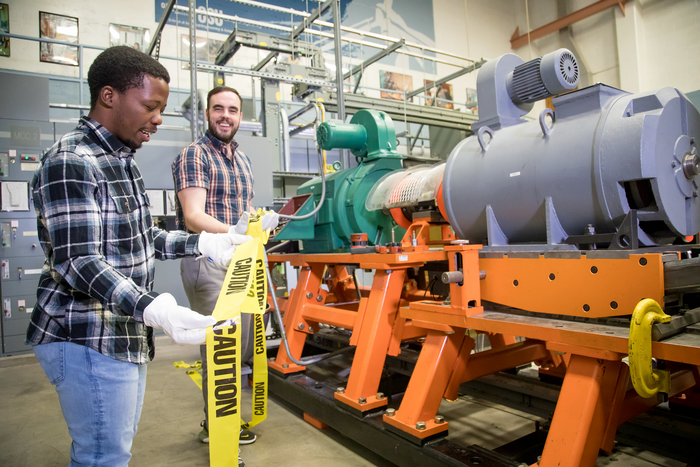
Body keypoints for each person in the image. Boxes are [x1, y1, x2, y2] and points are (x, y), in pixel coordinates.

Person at [28, 46, 250, 467]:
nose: (159, 118)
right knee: (103, 457)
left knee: (114, 448)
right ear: (109, 97)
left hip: (120, 333)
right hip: (86, 334)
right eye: (150, 106)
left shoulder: (121, 161)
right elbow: (79, 262)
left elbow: (143, 237)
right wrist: (153, 308)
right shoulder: (72, 161)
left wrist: (202, 244)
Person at [172, 85, 278, 447]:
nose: (226, 116)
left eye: (233, 110)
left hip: (241, 261)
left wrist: (260, 220)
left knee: (244, 345)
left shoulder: (243, 160)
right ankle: (216, 427)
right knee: (222, 346)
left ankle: (227, 418)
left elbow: (243, 209)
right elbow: (193, 216)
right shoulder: (194, 155)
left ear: (240, 117)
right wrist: (236, 232)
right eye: (218, 108)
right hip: (209, 260)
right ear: (207, 113)